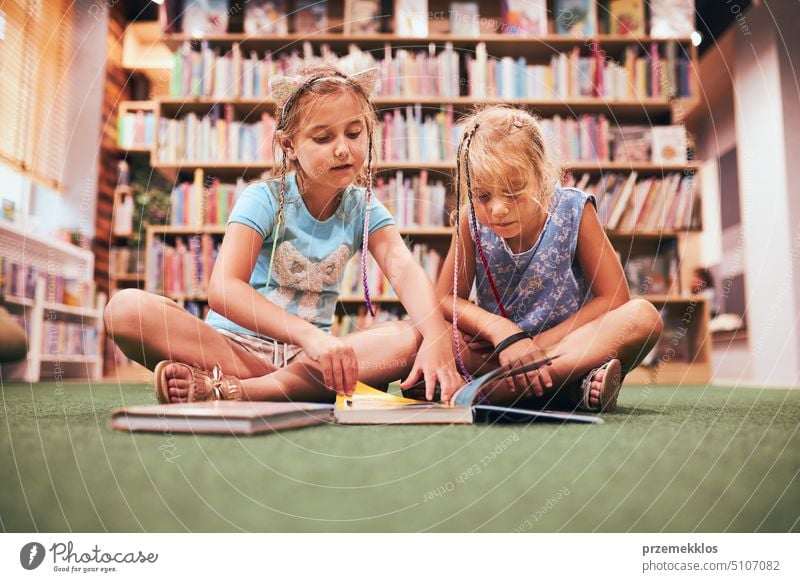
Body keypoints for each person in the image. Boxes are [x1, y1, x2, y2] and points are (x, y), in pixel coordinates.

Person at [104, 65, 462, 403]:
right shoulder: (262, 198)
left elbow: (402, 267)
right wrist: (311, 337)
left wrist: (436, 339)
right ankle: (287, 387)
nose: (342, 148)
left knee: (410, 334)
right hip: (237, 346)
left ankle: (233, 390)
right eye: (322, 137)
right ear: (288, 146)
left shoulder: (364, 207)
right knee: (125, 309)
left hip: (310, 357)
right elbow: (224, 290)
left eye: (354, 133)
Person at [435, 106, 664, 412]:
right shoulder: (470, 221)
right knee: (421, 334)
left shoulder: (573, 209)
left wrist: (536, 347)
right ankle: (570, 389)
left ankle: (502, 391)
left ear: (543, 178)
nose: (498, 209)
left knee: (642, 317)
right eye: (483, 196)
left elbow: (614, 298)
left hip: (564, 348)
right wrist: (501, 332)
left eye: (513, 192)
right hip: (499, 353)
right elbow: (443, 300)